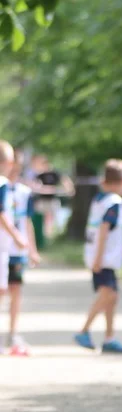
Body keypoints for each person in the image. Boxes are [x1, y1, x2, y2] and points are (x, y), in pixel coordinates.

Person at [75, 160, 122, 354]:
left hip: (102, 255)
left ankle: (109, 337)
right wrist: (99, 258)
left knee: (112, 297)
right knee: (108, 294)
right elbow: (104, 230)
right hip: (103, 258)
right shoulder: (114, 203)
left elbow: (111, 232)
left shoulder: (99, 199)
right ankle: (84, 330)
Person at [3, 153, 39, 355]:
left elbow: (26, 221)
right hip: (2, 247)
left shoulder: (24, 192)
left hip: (16, 250)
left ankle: (13, 331)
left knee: (15, 290)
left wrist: (31, 250)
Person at [0, 142, 29, 350]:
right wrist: (17, 236)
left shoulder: (19, 191)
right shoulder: (2, 184)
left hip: (8, 249)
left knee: (8, 289)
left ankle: (12, 334)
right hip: (4, 247)